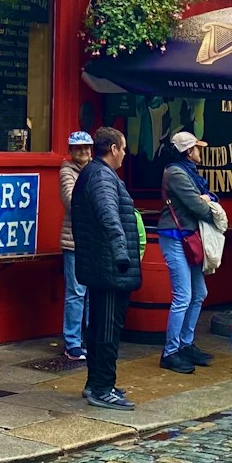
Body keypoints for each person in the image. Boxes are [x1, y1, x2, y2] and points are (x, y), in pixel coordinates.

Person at [71, 126, 142, 411]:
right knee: (107, 329)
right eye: (123, 148)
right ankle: (102, 388)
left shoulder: (97, 173)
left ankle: (96, 383)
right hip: (110, 267)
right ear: (113, 149)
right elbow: (109, 216)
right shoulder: (101, 176)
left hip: (102, 264)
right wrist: (121, 254)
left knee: (100, 326)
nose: (124, 154)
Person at [157, 130, 226, 374]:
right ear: (188, 151)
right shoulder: (176, 173)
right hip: (175, 236)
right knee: (183, 295)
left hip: (188, 237)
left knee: (199, 292)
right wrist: (209, 203)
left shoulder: (188, 172)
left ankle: (185, 344)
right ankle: (170, 352)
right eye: (197, 148)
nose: (200, 152)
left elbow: (207, 199)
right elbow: (198, 206)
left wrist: (208, 199)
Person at [58, 130, 93, 363]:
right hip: (74, 241)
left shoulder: (96, 169)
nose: (84, 152)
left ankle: (89, 338)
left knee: (91, 292)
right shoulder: (67, 171)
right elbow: (72, 201)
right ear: (71, 151)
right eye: (78, 148)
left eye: (87, 147)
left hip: (93, 241)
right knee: (76, 293)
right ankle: (72, 343)